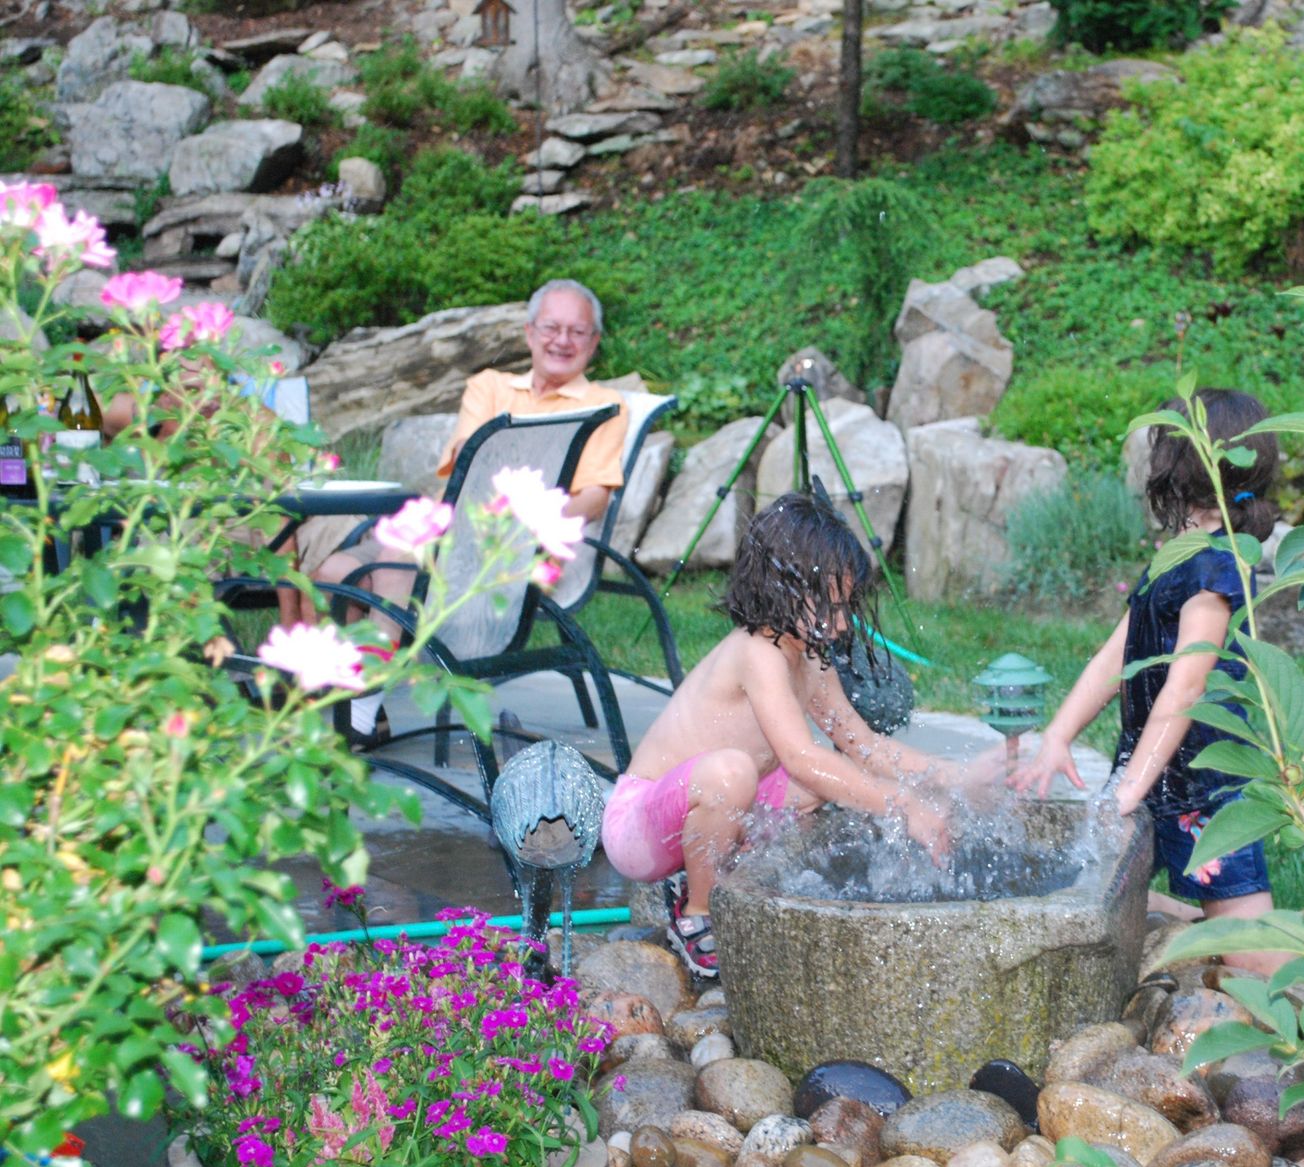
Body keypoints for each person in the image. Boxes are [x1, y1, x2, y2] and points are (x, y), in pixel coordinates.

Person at [1009, 388, 1304, 972]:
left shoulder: (1218, 566)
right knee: (1109, 891)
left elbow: (1187, 687)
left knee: (1250, 958)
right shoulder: (1178, 554)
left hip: (1204, 782)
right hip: (1154, 762)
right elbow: (1115, 657)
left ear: (1178, 466)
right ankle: (1192, 920)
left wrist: (1132, 788)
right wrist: (1059, 733)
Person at [603, 492, 957, 981]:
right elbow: (797, 756)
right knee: (737, 771)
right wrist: (903, 804)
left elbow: (864, 747)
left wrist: (956, 777)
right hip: (639, 827)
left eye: (845, 606)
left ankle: (756, 882)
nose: (839, 624)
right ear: (779, 588)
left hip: (715, 804)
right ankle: (699, 916)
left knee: (829, 780)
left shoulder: (810, 656)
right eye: (828, 606)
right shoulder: (757, 651)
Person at [309, 278, 632, 740]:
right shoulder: (489, 386)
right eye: (551, 327)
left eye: (577, 332)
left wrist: (528, 519)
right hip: (454, 530)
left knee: (397, 565)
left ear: (594, 343)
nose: (562, 341)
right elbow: (466, 465)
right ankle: (366, 706)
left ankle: (358, 715)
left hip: (517, 551)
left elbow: (595, 497)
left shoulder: (604, 405)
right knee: (335, 570)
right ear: (528, 333)